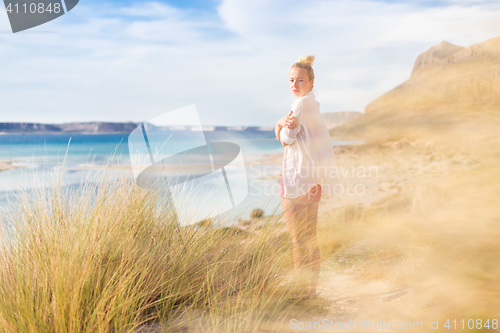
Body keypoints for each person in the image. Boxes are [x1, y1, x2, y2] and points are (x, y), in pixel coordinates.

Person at [275, 55, 340, 298]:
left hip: (297, 181)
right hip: (313, 181)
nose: (294, 85)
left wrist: (279, 123)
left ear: (311, 81)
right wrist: (281, 121)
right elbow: (289, 133)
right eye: (291, 80)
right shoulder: (313, 104)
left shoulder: (301, 104)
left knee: (298, 241)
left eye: (300, 80)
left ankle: (299, 294)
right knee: (309, 238)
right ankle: (309, 293)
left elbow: (286, 139)